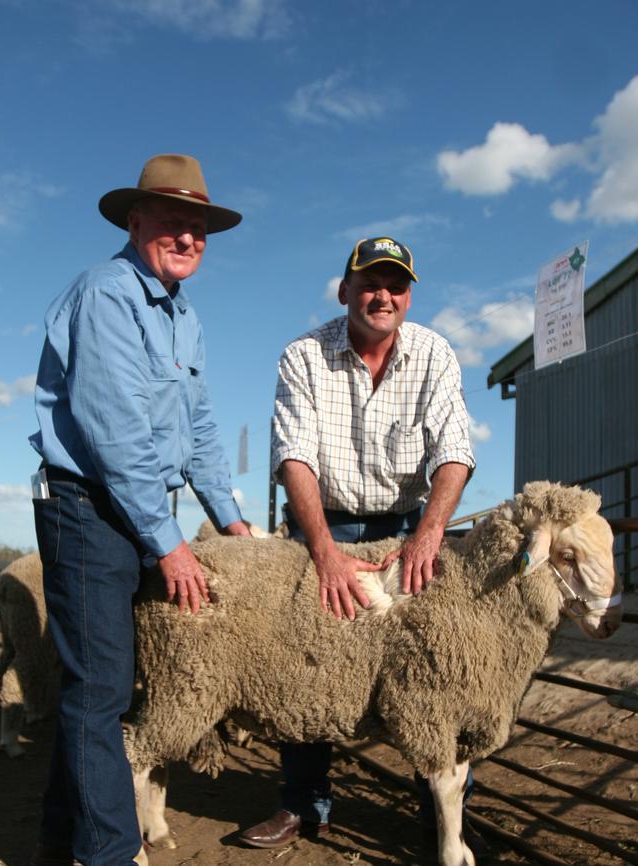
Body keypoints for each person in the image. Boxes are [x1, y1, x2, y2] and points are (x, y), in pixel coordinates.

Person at [29, 154, 251, 866]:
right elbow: (113, 428)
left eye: (199, 228)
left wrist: (232, 519)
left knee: (100, 685)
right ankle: (111, 855)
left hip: (134, 510)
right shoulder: (107, 294)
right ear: (135, 220)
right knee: (102, 690)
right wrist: (170, 543)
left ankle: (60, 842)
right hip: (88, 506)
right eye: (173, 222)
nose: (188, 238)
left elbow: (202, 429)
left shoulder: (183, 318)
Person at [240, 236, 486, 856]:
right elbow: (293, 456)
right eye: (370, 284)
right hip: (325, 524)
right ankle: (304, 804)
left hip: (407, 526)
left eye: (395, 285)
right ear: (345, 290)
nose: (383, 296)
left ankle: (443, 811)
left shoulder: (434, 353)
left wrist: (428, 534)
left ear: (408, 294)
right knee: (308, 657)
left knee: (435, 664)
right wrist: (321, 548)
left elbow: (453, 450)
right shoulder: (304, 356)